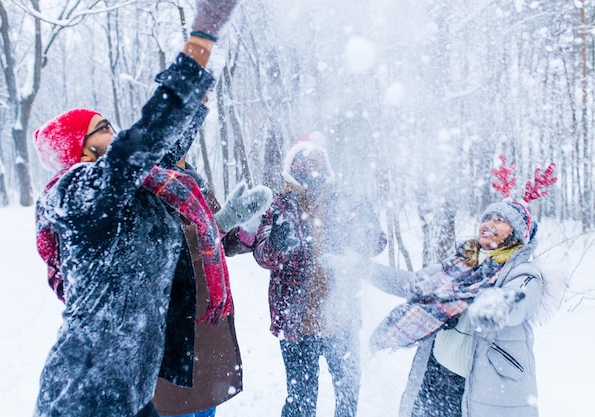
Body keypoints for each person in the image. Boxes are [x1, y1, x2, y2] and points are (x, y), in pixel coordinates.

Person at [32, 2, 243, 416]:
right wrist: (200, 38)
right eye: (103, 128)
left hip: (135, 394)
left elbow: (169, 134)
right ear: (82, 147)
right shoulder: (76, 195)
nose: (115, 131)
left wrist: (207, 68)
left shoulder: (142, 188)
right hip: (83, 395)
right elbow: (144, 140)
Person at [361, 156, 557, 417]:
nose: (489, 223)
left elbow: (519, 301)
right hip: (435, 378)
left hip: (479, 391)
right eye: (488, 218)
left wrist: (496, 305)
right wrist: (362, 269)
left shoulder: (523, 272)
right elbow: (415, 284)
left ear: (517, 234)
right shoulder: (463, 262)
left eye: (500, 220)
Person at [252, 132, 388, 417]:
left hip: (341, 318)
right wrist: (276, 244)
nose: (309, 167)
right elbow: (262, 256)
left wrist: (367, 229)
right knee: (300, 401)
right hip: (297, 323)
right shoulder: (278, 206)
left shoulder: (346, 202)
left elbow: (375, 244)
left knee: (348, 394)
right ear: (290, 169)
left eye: (315, 161)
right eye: (301, 162)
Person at [151, 108, 272, 417]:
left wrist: (246, 229)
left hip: (209, 318)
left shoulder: (194, 181)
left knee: (205, 404)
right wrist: (221, 223)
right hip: (175, 318)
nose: (186, 138)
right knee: (177, 404)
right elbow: (169, 248)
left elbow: (221, 241)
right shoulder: (151, 186)